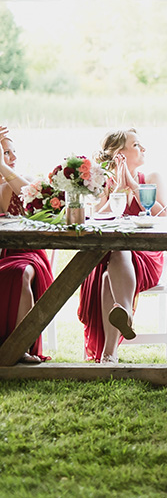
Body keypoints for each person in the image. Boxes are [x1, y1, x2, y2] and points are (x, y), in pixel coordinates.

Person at [78, 129, 166, 363]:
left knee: (117, 255)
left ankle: (113, 342)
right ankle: (116, 335)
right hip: (110, 256)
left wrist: (132, 184)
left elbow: (163, 217)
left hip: (146, 255)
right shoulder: (103, 184)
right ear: (120, 154)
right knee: (110, 269)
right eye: (137, 145)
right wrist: (117, 191)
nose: (143, 149)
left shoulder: (152, 178)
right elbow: (95, 219)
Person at [0, 126, 54, 364]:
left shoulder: (27, 182)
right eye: (6, 153)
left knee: (18, 272)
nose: (13, 158)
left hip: (28, 254)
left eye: (13, 152)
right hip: (3, 254)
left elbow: (36, 203)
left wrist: (1, 166)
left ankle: (20, 346)